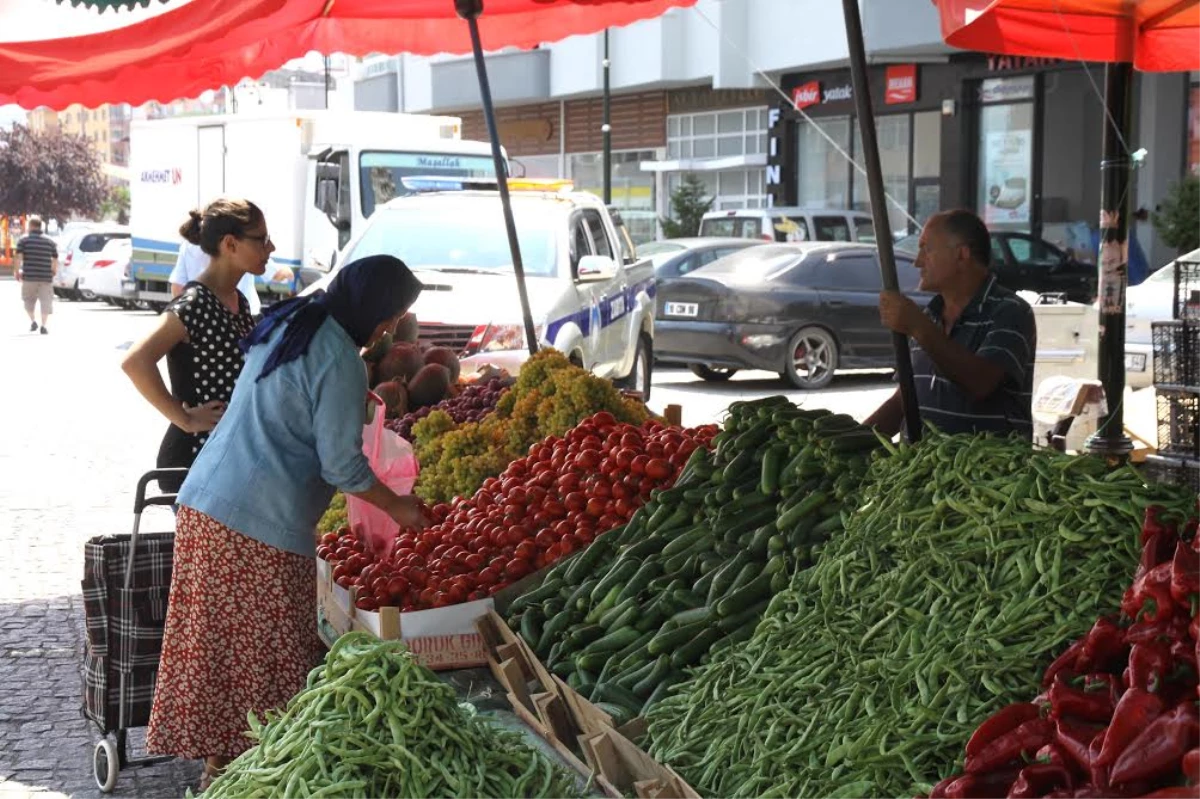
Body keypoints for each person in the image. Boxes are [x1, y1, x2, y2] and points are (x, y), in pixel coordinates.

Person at [145, 254, 429, 789]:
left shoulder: (297, 321)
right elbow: (341, 466)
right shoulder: (340, 358)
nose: (392, 327)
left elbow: (292, 402)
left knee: (221, 659)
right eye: (391, 315)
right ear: (372, 308)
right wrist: (400, 508)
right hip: (255, 522)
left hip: (210, 503)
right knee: (267, 675)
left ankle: (221, 778)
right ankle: (247, 783)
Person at [121, 200, 271, 493]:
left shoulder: (237, 300)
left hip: (225, 458)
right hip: (195, 460)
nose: (271, 248)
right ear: (230, 244)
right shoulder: (195, 304)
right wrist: (186, 419)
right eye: (262, 239)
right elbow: (135, 361)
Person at [866, 209, 1037, 439]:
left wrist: (919, 327)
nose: (917, 262)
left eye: (926, 249)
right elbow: (907, 397)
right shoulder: (930, 316)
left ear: (961, 254)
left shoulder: (1011, 311)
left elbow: (980, 383)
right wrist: (855, 439)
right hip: (920, 468)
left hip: (987, 470)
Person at [171, 236, 262, 318]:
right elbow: (274, 273)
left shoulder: (188, 245)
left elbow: (178, 286)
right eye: (263, 239)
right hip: (246, 315)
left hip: (202, 315)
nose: (271, 247)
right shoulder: (245, 244)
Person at [14, 216, 58, 334]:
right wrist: (53, 270)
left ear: (31, 226)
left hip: (29, 276)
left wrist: (17, 271)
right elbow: (55, 258)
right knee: (46, 301)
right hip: (45, 277)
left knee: (28, 300)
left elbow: (18, 257)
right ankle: (43, 325)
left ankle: (33, 321)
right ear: (40, 227)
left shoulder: (23, 240)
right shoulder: (50, 241)